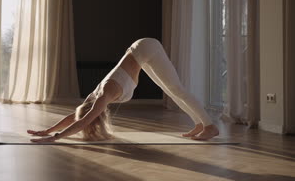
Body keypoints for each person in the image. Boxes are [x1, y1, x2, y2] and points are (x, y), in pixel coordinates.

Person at [28, 38, 219, 142]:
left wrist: (55, 138)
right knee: (172, 90)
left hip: (146, 48)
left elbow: (84, 120)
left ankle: (210, 126)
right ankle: (199, 124)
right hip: (141, 52)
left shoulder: (103, 96)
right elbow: (76, 116)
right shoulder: (93, 98)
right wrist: (47, 130)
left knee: (177, 88)